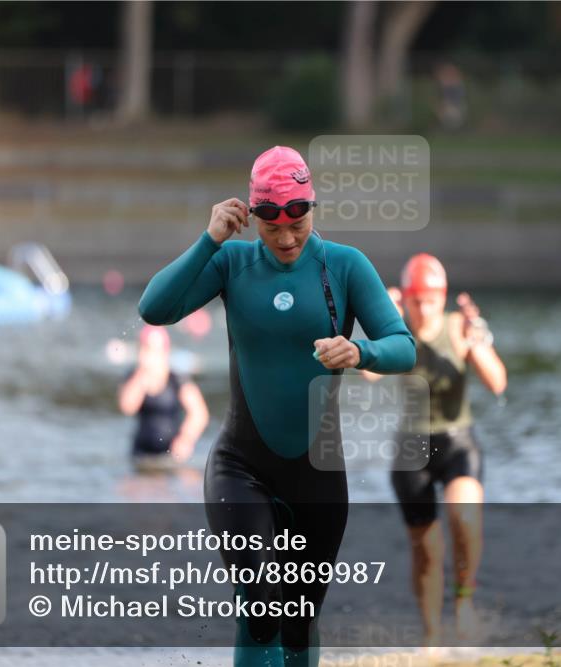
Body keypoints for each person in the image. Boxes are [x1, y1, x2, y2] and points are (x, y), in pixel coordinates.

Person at [138, 146, 416, 667]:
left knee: (298, 620)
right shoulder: (231, 262)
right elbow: (154, 309)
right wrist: (209, 239)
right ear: (253, 215)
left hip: (317, 474)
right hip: (241, 467)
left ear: (312, 207)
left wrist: (361, 351)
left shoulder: (346, 266)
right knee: (261, 602)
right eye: (272, 227)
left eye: (299, 222)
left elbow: (403, 346)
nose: (287, 238)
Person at [370, 253, 506, 647]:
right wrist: (382, 321)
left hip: (457, 442)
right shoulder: (395, 331)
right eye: (416, 300)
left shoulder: (459, 327)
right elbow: (368, 371)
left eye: (431, 299)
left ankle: (464, 603)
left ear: (442, 297)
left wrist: (475, 338)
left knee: (464, 517)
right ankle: (431, 638)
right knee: (427, 549)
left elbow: (497, 383)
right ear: (406, 299)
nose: (424, 307)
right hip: (410, 450)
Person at [119, 324, 209, 471]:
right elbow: (127, 408)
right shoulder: (134, 376)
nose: (150, 355)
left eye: (154, 350)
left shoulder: (176, 379)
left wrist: (185, 439)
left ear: (165, 352)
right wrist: (141, 374)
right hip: (141, 453)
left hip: (171, 453)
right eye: (145, 348)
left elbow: (199, 414)